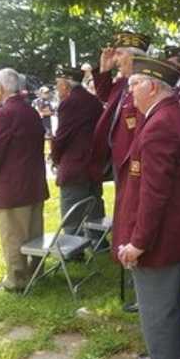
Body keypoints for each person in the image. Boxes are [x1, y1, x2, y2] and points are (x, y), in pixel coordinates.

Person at [117, 57, 180, 359]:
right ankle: (171, 355)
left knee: (156, 306)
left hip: (162, 235)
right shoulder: (171, 115)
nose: (130, 91)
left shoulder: (160, 124)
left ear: (152, 87)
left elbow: (154, 194)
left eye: (134, 84)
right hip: (175, 231)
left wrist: (139, 242)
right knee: (168, 302)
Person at [89, 31, 149, 313]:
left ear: (135, 59)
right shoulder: (124, 84)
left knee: (136, 220)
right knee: (124, 221)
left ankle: (143, 290)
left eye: (120, 54)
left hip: (133, 165)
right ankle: (136, 283)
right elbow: (105, 97)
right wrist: (103, 69)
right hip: (121, 164)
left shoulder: (142, 86)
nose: (116, 58)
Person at [0, 68, 49, 291]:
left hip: (13, 184)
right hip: (34, 182)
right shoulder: (29, 110)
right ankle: (36, 271)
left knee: (14, 235)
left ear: (0, 89)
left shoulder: (4, 114)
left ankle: (16, 280)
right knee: (33, 232)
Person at [51, 68, 105, 234]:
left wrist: (55, 158)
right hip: (93, 160)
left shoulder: (69, 103)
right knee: (94, 202)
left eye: (58, 84)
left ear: (66, 85)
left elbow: (62, 136)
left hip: (74, 162)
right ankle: (99, 241)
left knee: (72, 208)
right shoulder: (93, 100)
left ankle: (73, 248)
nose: (56, 89)